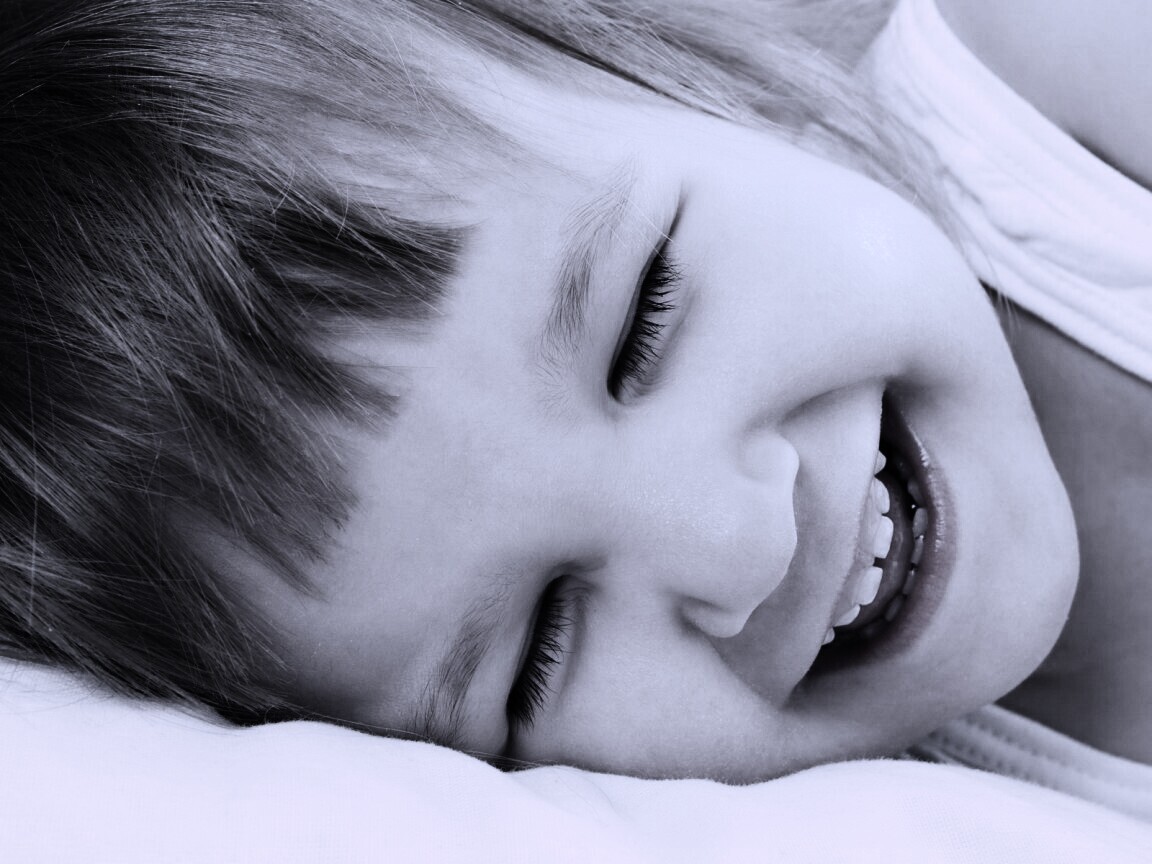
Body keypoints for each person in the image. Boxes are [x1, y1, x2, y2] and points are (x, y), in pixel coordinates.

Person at [0, 0, 1143, 790]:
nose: (741, 544)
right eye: (541, 650)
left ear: (691, 77)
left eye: (646, 316)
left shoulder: (1072, 95)